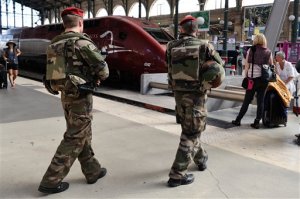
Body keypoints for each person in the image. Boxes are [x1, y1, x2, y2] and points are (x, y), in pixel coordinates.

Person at [38, 7, 109, 194]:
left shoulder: (53, 44)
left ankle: (92, 170)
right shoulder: (82, 43)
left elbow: (53, 74)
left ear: (64, 23)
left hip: (65, 95)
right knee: (75, 136)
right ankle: (51, 180)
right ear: (80, 22)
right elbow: (104, 71)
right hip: (81, 97)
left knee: (81, 132)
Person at [166, 15, 224, 187]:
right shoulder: (204, 45)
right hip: (197, 96)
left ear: (182, 29)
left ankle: (201, 159)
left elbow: (167, 66)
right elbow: (218, 65)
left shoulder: (170, 46)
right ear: (196, 30)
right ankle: (177, 174)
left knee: (191, 129)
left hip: (178, 95)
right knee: (191, 133)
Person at [232, 33, 273, 129]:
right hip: (263, 80)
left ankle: (238, 120)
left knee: (246, 101)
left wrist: (247, 76)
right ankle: (257, 122)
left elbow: (247, 66)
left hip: (252, 80)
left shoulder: (251, 50)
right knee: (261, 101)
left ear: (256, 40)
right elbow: (271, 65)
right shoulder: (268, 52)